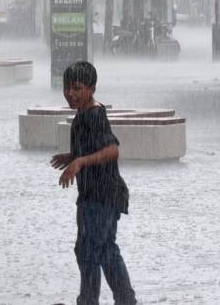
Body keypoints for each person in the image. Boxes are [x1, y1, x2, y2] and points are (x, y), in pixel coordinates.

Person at [51, 61, 137, 305]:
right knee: (102, 250)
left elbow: (112, 150)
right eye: (67, 88)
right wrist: (71, 157)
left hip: (102, 195)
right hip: (98, 194)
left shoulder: (94, 114)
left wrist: (79, 163)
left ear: (91, 89)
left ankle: (90, 300)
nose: (71, 93)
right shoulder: (84, 113)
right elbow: (93, 148)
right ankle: (124, 299)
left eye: (77, 88)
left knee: (90, 252)